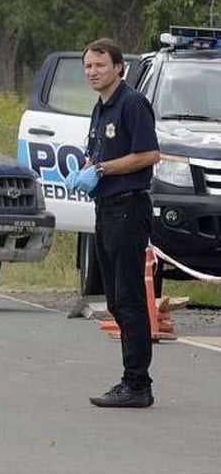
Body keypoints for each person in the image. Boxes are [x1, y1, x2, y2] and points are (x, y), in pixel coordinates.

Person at [64, 38, 160, 408]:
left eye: (100, 66)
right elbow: (97, 153)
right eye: (88, 66)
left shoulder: (132, 103)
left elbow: (148, 153)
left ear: (118, 67)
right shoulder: (100, 108)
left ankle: (137, 384)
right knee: (116, 301)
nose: (93, 72)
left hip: (128, 207)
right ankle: (132, 379)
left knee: (129, 298)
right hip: (105, 208)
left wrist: (103, 169)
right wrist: (87, 170)